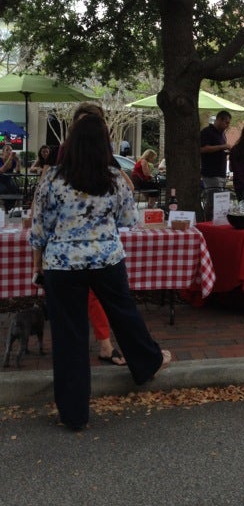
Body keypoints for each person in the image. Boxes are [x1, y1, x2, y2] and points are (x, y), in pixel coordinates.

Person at [29, 114, 171, 431]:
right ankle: (148, 362)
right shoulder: (114, 178)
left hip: (62, 263)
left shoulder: (51, 179)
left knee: (69, 337)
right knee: (125, 314)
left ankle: (74, 414)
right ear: (104, 144)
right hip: (106, 258)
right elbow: (128, 221)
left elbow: (39, 229)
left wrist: (37, 265)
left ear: (71, 142)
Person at [200, 111, 231, 189]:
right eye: (226, 123)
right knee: (213, 199)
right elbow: (203, 149)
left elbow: (219, 150)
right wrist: (222, 146)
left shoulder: (222, 134)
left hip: (221, 173)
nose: (227, 126)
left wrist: (226, 151)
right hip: (211, 174)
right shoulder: (207, 132)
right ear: (219, 120)